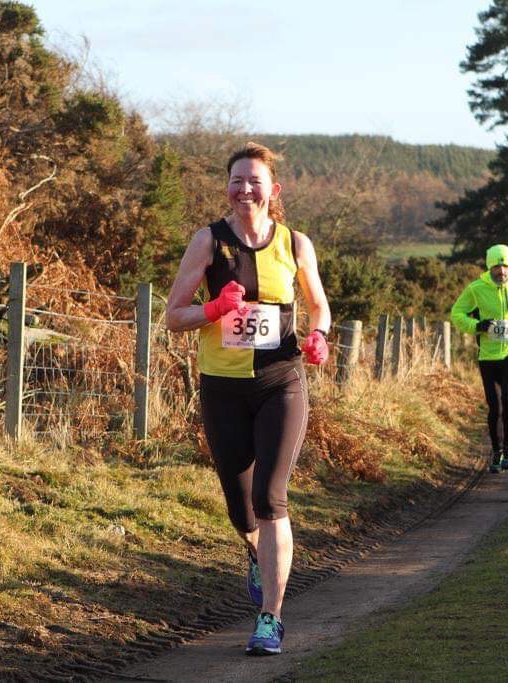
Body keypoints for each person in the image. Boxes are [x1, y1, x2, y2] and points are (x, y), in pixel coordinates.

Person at [165, 142, 331, 656]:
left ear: (272, 190)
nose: (245, 189)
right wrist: (213, 307)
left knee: (270, 498)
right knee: (241, 510)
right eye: (237, 180)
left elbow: (319, 307)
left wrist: (319, 336)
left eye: (254, 181)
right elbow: (173, 316)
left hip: (281, 381)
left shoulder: (295, 243)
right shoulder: (208, 242)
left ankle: (270, 619)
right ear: (227, 188)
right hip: (222, 386)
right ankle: (258, 555)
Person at [451, 244, 508, 474]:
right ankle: (496, 451)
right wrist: (476, 326)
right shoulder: (476, 288)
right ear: (490, 267)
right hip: (488, 355)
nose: (502, 271)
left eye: (505, 266)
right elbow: (456, 313)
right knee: (494, 405)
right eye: (497, 266)